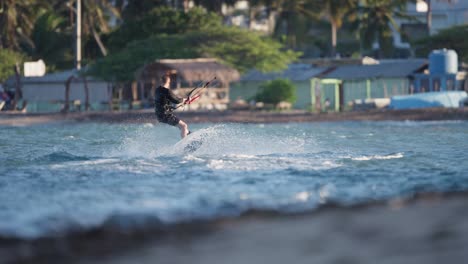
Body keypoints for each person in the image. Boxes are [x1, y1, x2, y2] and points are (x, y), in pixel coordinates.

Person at [154, 74, 190, 138]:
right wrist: (185, 99)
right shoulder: (167, 91)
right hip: (166, 115)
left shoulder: (157, 90)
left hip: (159, 116)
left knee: (181, 127)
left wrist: (171, 107)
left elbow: (162, 102)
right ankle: (185, 144)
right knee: (184, 126)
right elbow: (176, 100)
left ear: (161, 81)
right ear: (168, 82)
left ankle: (187, 134)